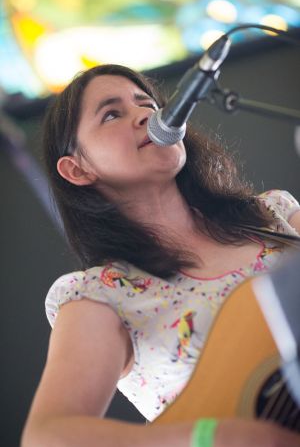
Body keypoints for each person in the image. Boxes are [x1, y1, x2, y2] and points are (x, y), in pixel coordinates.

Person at [21, 64, 300, 447]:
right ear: (78, 169)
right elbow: (48, 436)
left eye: (146, 103)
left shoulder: (275, 215)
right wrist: (208, 437)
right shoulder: (101, 295)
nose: (144, 115)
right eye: (112, 114)